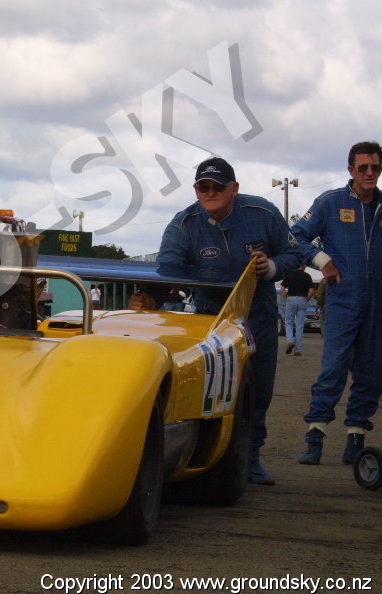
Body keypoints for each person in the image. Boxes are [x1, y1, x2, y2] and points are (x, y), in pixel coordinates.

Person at [133, 157, 302, 485]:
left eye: (218, 187)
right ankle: (206, 455)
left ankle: (251, 458)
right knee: (213, 389)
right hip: (210, 320)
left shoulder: (263, 213)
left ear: (234, 188)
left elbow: (294, 253)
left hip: (258, 315)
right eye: (203, 187)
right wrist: (150, 298)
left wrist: (271, 267)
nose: (210, 192)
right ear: (196, 190)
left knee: (259, 390)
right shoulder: (183, 224)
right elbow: (168, 269)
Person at [293, 141, 382, 466]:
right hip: (343, 300)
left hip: (377, 304)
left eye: (375, 167)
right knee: (333, 368)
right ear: (350, 170)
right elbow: (294, 236)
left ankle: (356, 436)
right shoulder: (330, 203)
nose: (370, 173)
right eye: (363, 167)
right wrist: (323, 261)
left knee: (372, 371)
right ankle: (315, 435)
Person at [279, 264, 314, 356]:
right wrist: (307, 298)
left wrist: (285, 296)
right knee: (300, 325)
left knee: (288, 322)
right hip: (303, 299)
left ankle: (290, 340)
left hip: (291, 299)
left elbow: (282, 288)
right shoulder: (307, 276)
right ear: (303, 266)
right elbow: (311, 290)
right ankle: (298, 350)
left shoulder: (289, 274)